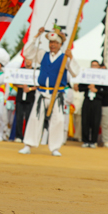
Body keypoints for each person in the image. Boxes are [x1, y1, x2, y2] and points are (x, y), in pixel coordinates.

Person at [19, 26, 79, 156]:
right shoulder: (42, 54)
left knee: (58, 120)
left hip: (57, 94)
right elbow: (27, 53)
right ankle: (28, 144)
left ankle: (55, 148)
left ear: (60, 44)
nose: (53, 45)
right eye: (51, 43)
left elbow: (75, 73)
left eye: (56, 43)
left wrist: (71, 57)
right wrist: (36, 36)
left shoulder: (65, 57)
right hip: (41, 93)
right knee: (35, 118)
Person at [79, 60, 104, 148]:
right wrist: (88, 87)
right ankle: (85, 140)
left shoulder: (102, 77)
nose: (94, 67)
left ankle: (93, 141)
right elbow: (80, 87)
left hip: (97, 101)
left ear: (99, 67)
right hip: (87, 100)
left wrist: (97, 90)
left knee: (95, 121)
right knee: (85, 120)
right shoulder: (86, 75)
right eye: (92, 65)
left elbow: (106, 90)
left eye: (96, 65)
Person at [13, 58, 37, 143]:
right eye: (27, 59)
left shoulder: (36, 71)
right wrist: (22, 87)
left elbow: (38, 85)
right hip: (20, 97)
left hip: (30, 97)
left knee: (29, 117)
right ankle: (19, 136)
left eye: (30, 60)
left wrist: (29, 89)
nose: (28, 61)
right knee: (19, 117)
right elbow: (14, 82)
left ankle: (28, 137)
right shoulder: (20, 70)